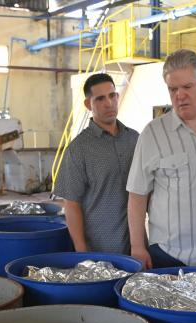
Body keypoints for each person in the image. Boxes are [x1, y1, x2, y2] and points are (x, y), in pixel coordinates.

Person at [127, 49, 196, 268]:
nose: (180, 95)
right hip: (169, 255)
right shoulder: (153, 134)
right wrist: (137, 247)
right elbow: (137, 195)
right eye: (173, 89)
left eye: (187, 87)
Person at [53, 72, 139, 254]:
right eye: (100, 99)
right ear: (88, 104)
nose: (108, 103)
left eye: (112, 96)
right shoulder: (79, 149)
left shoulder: (135, 139)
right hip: (99, 250)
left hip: (135, 247)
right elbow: (71, 204)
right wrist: (83, 253)